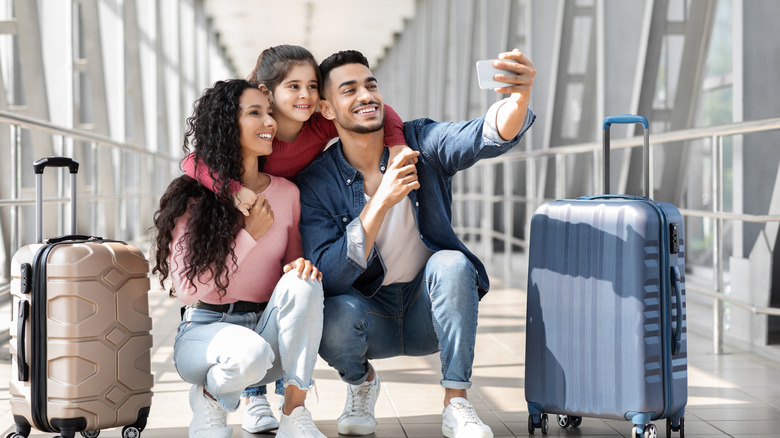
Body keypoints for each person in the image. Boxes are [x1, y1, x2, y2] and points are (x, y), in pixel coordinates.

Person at [296, 49, 536, 438]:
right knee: (332, 313)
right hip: (367, 314)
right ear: (326, 108)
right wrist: (380, 203)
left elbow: (482, 136)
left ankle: (456, 401)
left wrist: (519, 100)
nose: (366, 96)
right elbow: (331, 277)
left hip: (428, 309)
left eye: (371, 85)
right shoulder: (316, 182)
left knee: (454, 264)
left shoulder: (419, 142)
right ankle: (361, 384)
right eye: (350, 89)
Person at [152, 79, 326, 438]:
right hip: (206, 330)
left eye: (269, 113)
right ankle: (208, 396)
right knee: (249, 355)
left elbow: (290, 270)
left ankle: (295, 414)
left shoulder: (287, 193)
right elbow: (186, 291)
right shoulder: (192, 199)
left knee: (304, 284)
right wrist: (249, 235)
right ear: (227, 126)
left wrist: (302, 267)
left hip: (267, 331)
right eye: (254, 113)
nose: (269, 122)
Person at [181, 44, 412, 217]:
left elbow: (383, 110)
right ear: (266, 92)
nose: (306, 95)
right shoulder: (257, 132)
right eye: (294, 86)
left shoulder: (320, 125)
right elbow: (191, 161)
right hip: (251, 208)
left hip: (300, 208)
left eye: (312, 86)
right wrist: (233, 190)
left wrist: (397, 145)